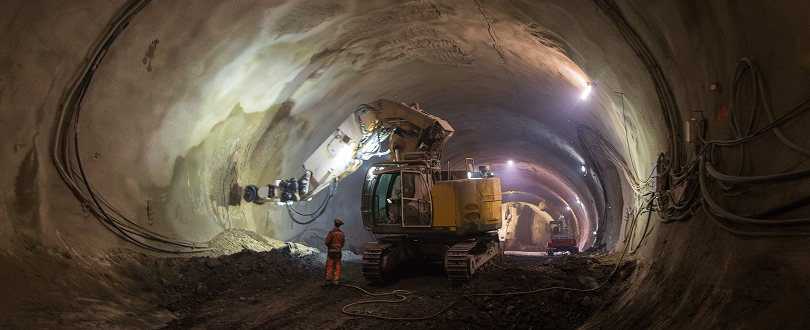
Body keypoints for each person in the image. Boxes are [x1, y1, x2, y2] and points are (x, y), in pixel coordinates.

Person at [324, 218, 345, 285]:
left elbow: (327, 243)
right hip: (338, 253)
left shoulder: (331, 233)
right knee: (337, 266)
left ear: (334, 224)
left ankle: (328, 281)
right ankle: (336, 281)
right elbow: (342, 244)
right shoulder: (342, 234)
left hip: (331, 253)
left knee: (330, 266)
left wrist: (330, 245)